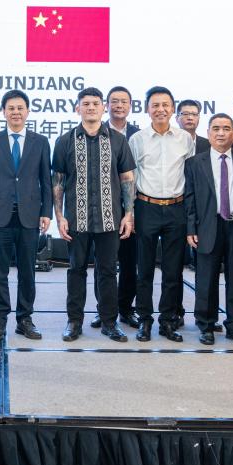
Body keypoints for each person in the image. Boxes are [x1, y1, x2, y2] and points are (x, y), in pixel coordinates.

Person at [54, 87, 136, 343]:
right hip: (76, 219)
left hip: (110, 219)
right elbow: (58, 181)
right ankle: (74, 322)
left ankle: (110, 323)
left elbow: (127, 178)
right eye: (86, 103)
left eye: (95, 103)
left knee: (108, 272)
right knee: (76, 270)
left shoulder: (118, 140)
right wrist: (59, 216)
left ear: (104, 108)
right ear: (77, 108)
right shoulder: (65, 140)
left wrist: (129, 214)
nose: (90, 107)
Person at [0, 89, 51, 341]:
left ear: (28, 111)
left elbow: (46, 179)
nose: (16, 112)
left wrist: (46, 212)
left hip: (30, 216)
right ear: (4, 112)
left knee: (27, 271)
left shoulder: (40, 142)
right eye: (11, 108)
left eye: (20, 108)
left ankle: (24, 319)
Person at [185, 114, 233, 346]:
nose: (221, 133)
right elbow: (190, 198)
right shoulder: (194, 162)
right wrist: (191, 228)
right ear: (208, 133)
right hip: (207, 226)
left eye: (226, 128)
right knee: (206, 279)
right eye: (216, 128)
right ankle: (206, 325)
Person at [129, 86, 192, 342]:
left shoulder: (185, 139)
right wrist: (130, 212)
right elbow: (130, 178)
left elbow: (191, 176)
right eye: (155, 105)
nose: (160, 109)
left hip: (176, 208)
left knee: (172, 270)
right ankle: (144, 320)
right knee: (144, 269)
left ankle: (168, 320)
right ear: (147, 109)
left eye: (165, 105)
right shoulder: (137, 139)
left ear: (173, 109)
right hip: (146, 207)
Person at [101, 85, 140, 329]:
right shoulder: (96, 131)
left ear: (130, 106)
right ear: (106, 105)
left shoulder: (139, 135)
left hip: (131, 208)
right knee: (104, 264)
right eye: (114, 101)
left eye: (123, 101)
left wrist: (131, 210)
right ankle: (104, 309)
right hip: (101, 207)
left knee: (129, 261)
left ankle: (126, 308)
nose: (119, 105)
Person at [176, 98, 209, 275]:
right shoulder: (170, 142)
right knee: (175, 257)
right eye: (185, 114)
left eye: (194, 114)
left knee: (201, 256)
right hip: (176, 202)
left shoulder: (208, 144)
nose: (190, 118)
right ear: (177, 118)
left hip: (201, 206)